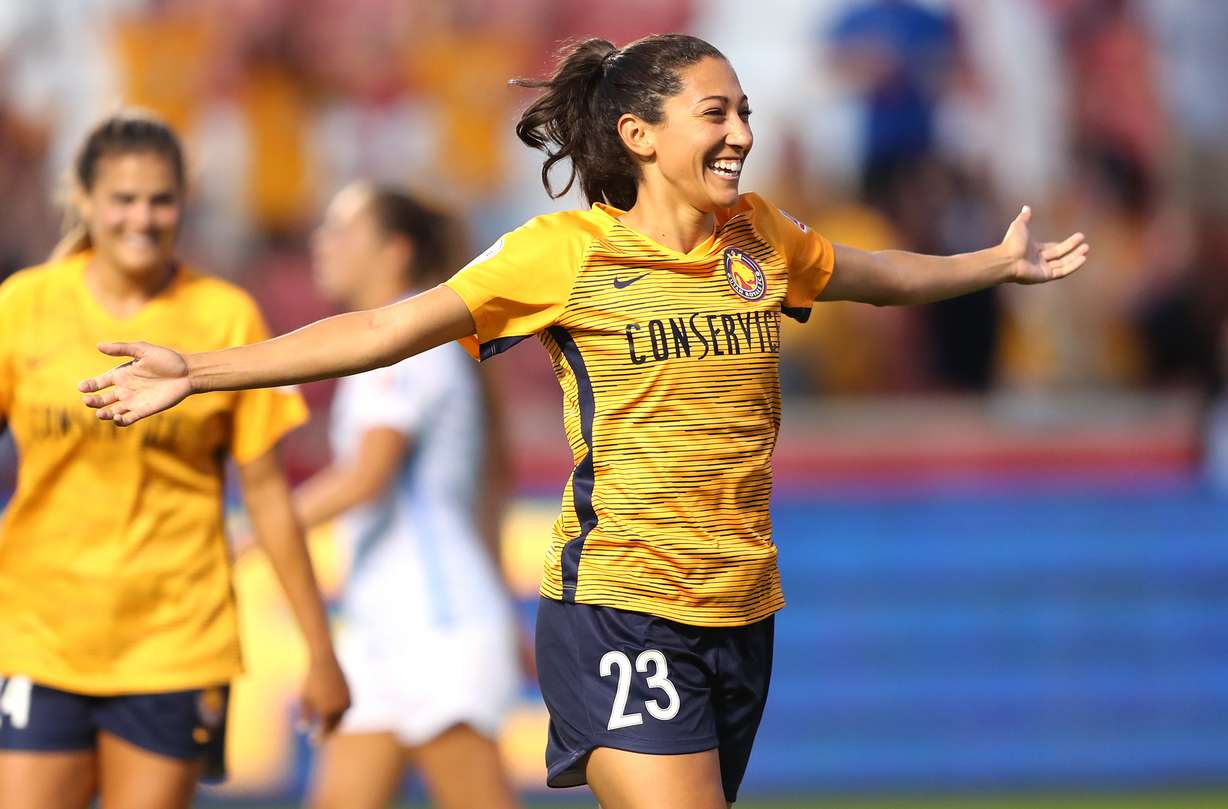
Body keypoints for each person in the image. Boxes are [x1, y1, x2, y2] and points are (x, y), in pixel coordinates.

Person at [78, 36, 1089, 809]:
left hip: (740, 609)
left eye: (743, 110)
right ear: (641, 135)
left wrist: (989, 267)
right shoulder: (560, 254)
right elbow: (386, 327)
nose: (740, 131)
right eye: (714, 112)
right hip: (618, 604)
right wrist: (199, 370)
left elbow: (867, 275)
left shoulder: (760, 239)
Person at [0, 110, 350, 809]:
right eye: (123, 199)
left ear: (183, 202)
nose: (143, 217)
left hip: (176, 639)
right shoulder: (24, 306)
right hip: (41, 630)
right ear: (86, 201)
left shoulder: (224, 319)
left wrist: (320, 649)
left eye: (160, 198)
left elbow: (269, 496)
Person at [297, 181, 522, 809]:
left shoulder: (405, 347)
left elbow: (366, 476)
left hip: (436, 631)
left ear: (394, 253)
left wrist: (254, 530)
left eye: (342, 230)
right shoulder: (404, 347)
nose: (323, 243)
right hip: (383, 629)